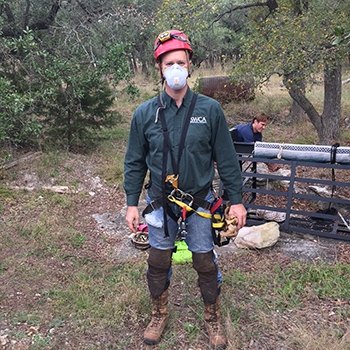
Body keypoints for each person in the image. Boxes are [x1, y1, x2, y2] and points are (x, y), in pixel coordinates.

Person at [124, 29, 246, 349]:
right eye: (168, 63)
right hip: (159, 203)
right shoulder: (144, 114)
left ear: (189, 64)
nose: (175, 68)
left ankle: (212, 317)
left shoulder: (209, 110)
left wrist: (236, 201)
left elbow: (227, 159)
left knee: (204, 260)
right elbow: (135, 161)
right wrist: (131, 203)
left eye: (180, 61)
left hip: (200, 201)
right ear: (159, 69)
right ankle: (159, 312)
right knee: (158, 260)